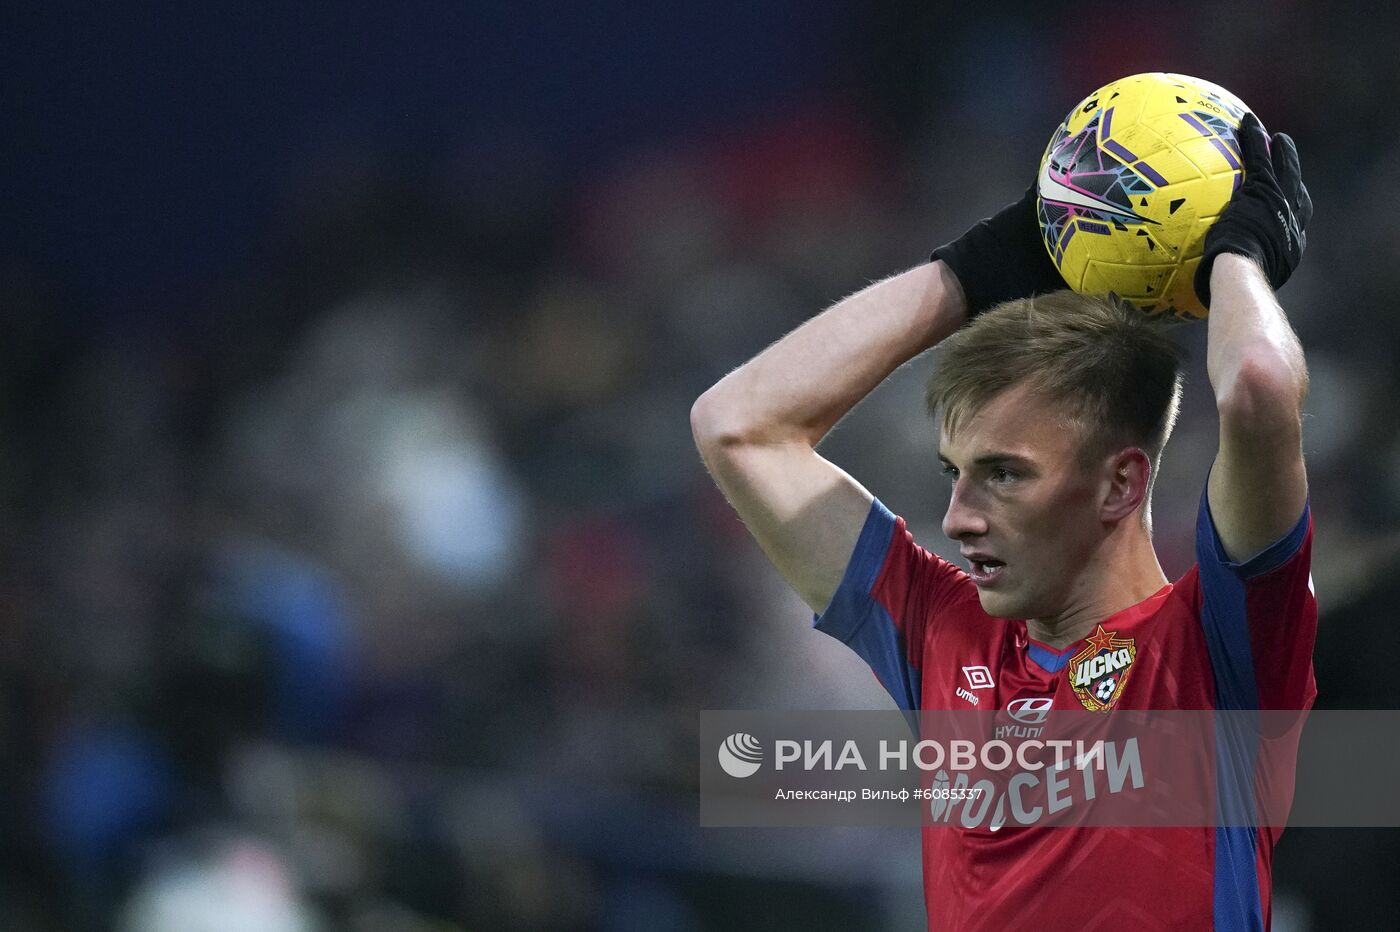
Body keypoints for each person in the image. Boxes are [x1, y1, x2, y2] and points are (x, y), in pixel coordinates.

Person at [690, 111, 1315, 931]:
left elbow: (1258, 386)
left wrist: (1240, 254)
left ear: (1121, 484)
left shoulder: (1219, 649)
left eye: (1003, 475)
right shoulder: (942, 636)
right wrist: (975, 268)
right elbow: (737, 427)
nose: (957, 519)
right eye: (954, 474)